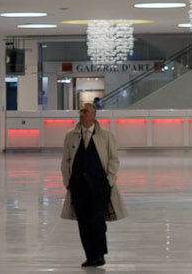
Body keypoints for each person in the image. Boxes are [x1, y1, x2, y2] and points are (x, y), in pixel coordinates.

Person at [61, 102, 127, 267]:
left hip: (100, 187)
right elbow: (65, 160)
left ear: (94, 115)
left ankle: (100, 253)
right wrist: (68, 182)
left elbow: (113, 159)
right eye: (81, 111)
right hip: (78, 187)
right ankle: (90, 256)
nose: (82, 114)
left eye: (86, 111)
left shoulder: (106, 136)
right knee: (83, 222)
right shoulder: (71, 136)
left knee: (97, 220)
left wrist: (109, 180)